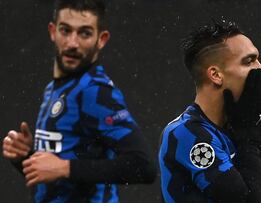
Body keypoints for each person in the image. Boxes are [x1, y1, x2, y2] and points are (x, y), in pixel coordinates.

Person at [2, 0, 156, 202]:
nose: (72, 43)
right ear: (52, 31)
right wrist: (26, 157)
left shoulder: (94, 91)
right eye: (65, 30)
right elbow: (57, 174)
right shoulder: (55, 88)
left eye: (84, 33)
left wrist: (65, 168)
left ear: (101, 39)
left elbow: (143, 167)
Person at [158, 20, 261, 202]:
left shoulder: (235, 128)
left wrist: (260, 135)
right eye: (249, 61)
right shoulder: (185, 133)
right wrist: (249, 138)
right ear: (216, 75)